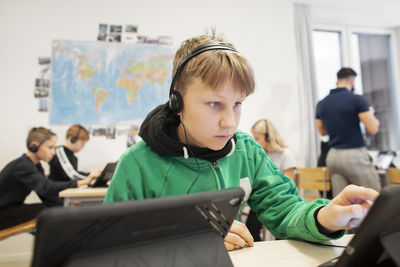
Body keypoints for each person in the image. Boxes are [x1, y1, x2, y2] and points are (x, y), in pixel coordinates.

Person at [104, 33, 379, 251]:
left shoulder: (246, 151)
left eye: (237, 104)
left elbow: (285, 211)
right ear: (177, 100)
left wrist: (324, 218)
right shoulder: (137, 164)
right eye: (214, 104)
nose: (230, 122)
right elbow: (108, 245)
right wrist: (182, 239)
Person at [0, 127, 97, 230]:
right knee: (48, 212)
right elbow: (46, 187)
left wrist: (66, 204)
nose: (53, 152)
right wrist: (80, 182)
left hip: (10, 210)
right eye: (50, 147)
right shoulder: (22, 165)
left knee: (52, 209)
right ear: (34, 146)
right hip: (4, 212)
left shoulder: (36, 166)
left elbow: (45, 194)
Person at [315, 67, 381, 197]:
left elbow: (322, 132)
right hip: (353, 155)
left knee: (344, 203)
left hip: (333, 156)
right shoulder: (357, 99)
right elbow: (373, 128)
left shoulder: (322, 103)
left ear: (337, 81)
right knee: (374, 198)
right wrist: (371, 113)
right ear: (352, 81)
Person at [246, 119, 297, 241]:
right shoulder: (263, 155)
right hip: (265, 199)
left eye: (257, 138)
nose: (255, 142)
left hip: (281, 199)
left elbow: (288, 184)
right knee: (250, 227)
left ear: (268, 137)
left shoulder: (286, 154)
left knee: (281, 230)